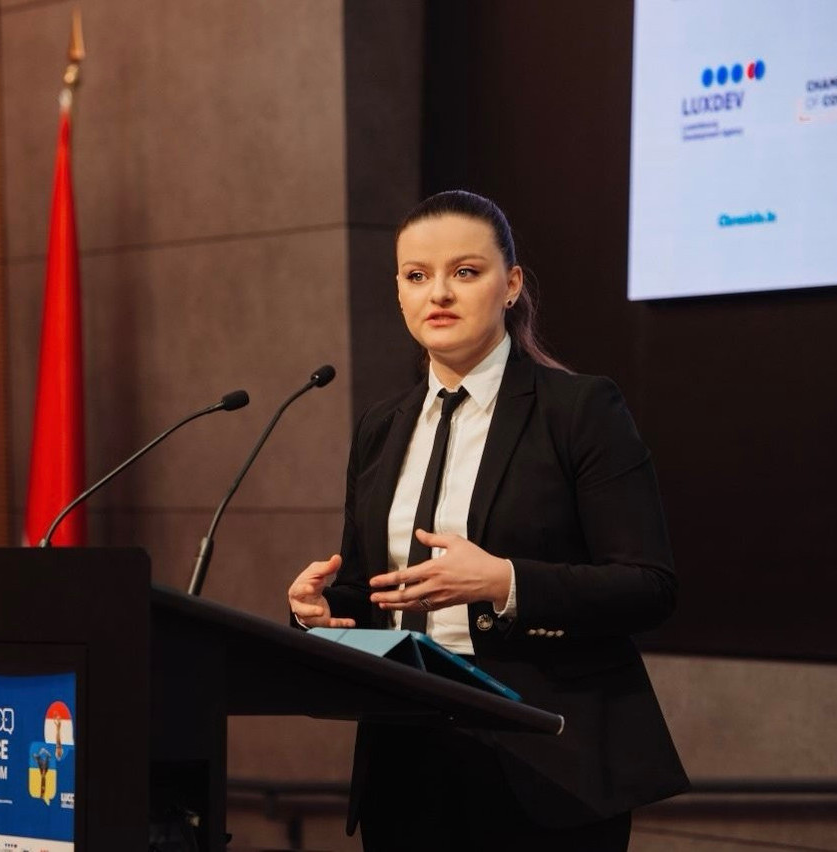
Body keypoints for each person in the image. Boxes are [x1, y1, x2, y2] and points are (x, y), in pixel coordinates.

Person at [287, 190, 688, 850]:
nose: (438, 293)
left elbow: (649, 586)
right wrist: (319, 612)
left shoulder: (579, 410)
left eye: (465, 272)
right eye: (417, 276)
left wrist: (503, 582)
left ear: (511, 285)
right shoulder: (380, 429)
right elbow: (373, 598)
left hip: (545, 767)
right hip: (405, 766)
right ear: (398, 291)